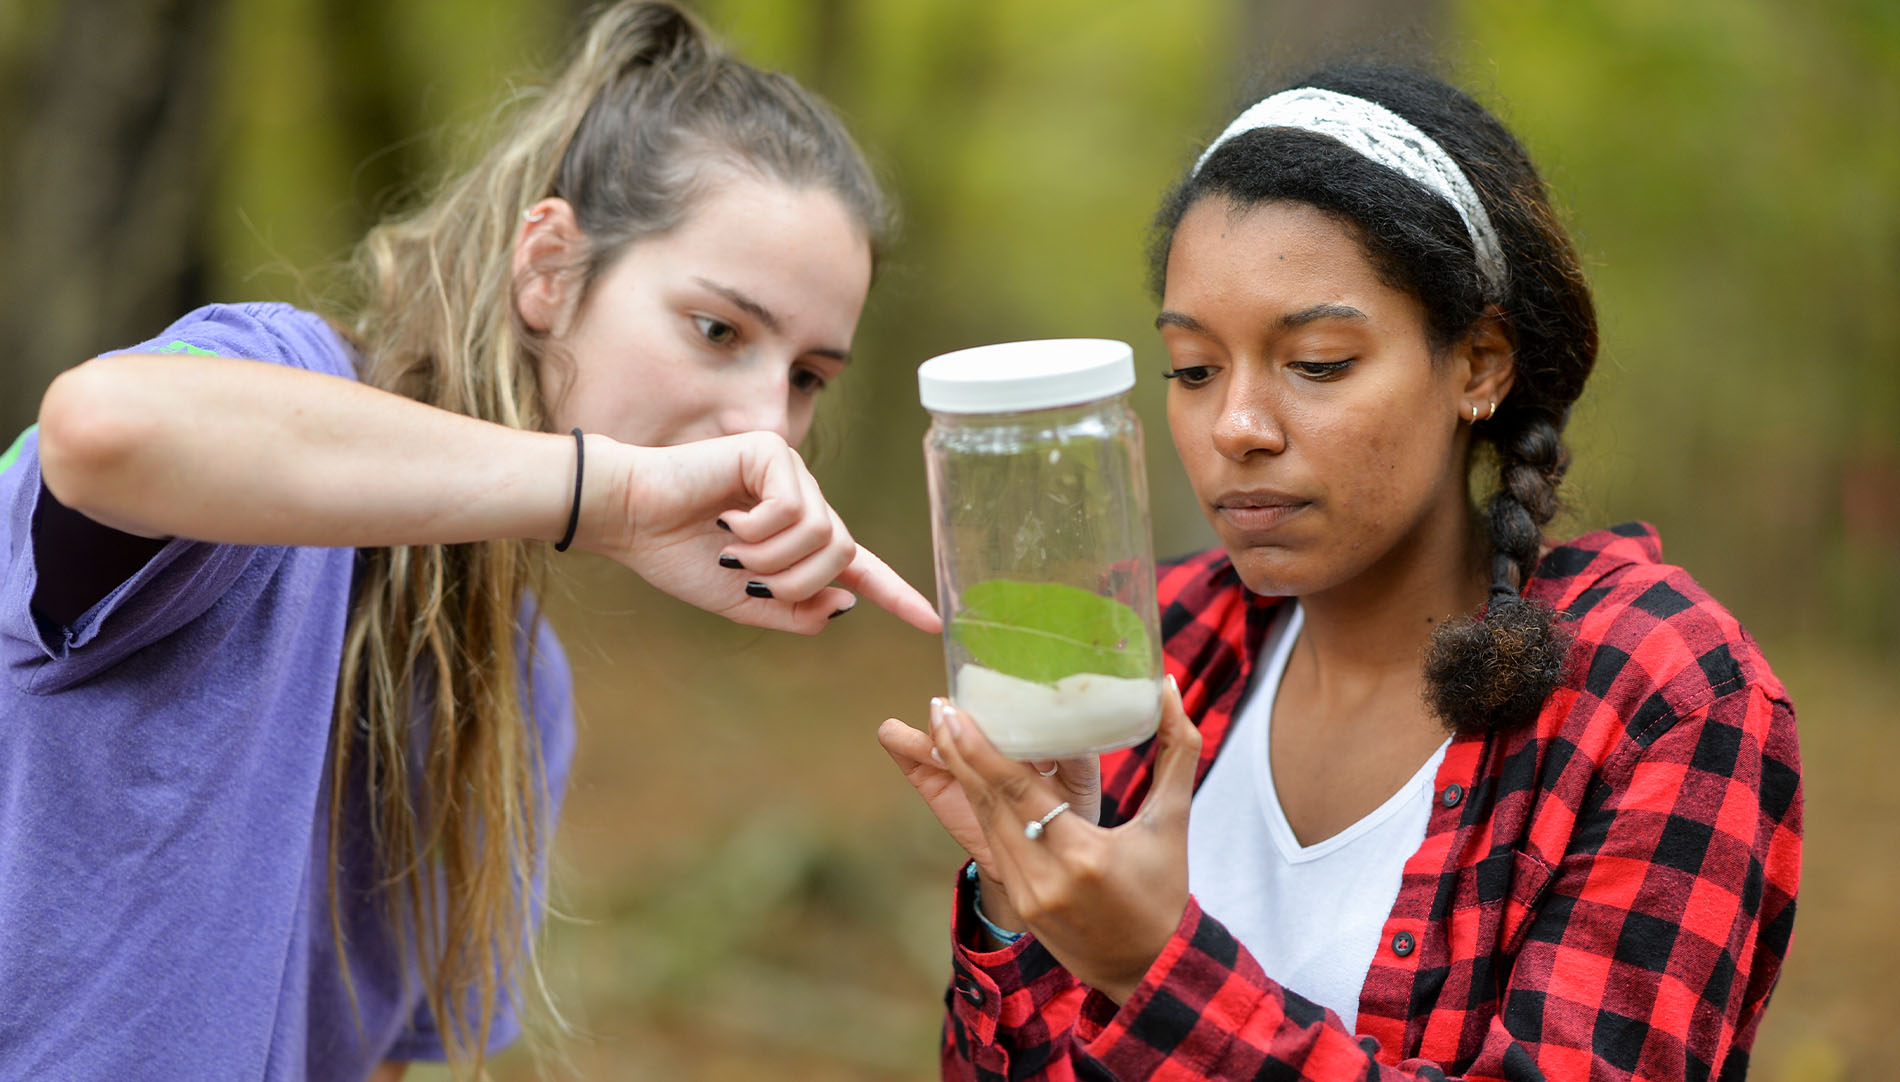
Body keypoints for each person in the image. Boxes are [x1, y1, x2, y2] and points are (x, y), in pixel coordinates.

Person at [0, 3, 940, 1080]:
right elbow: (104, 430)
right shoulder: (274, 378)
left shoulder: (517, 681)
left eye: (807, 376)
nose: (768, 423)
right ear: (547, 269)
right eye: (717, 329)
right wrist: (607, 494)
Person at [880, 63, 1801, 1081]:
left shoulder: (1657, 693)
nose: (1235, 426)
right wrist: (1019, 905)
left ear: (1477, 364)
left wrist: (1153, 970)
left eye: (1315, 361)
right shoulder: (1165, 651)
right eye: (1191, 369)